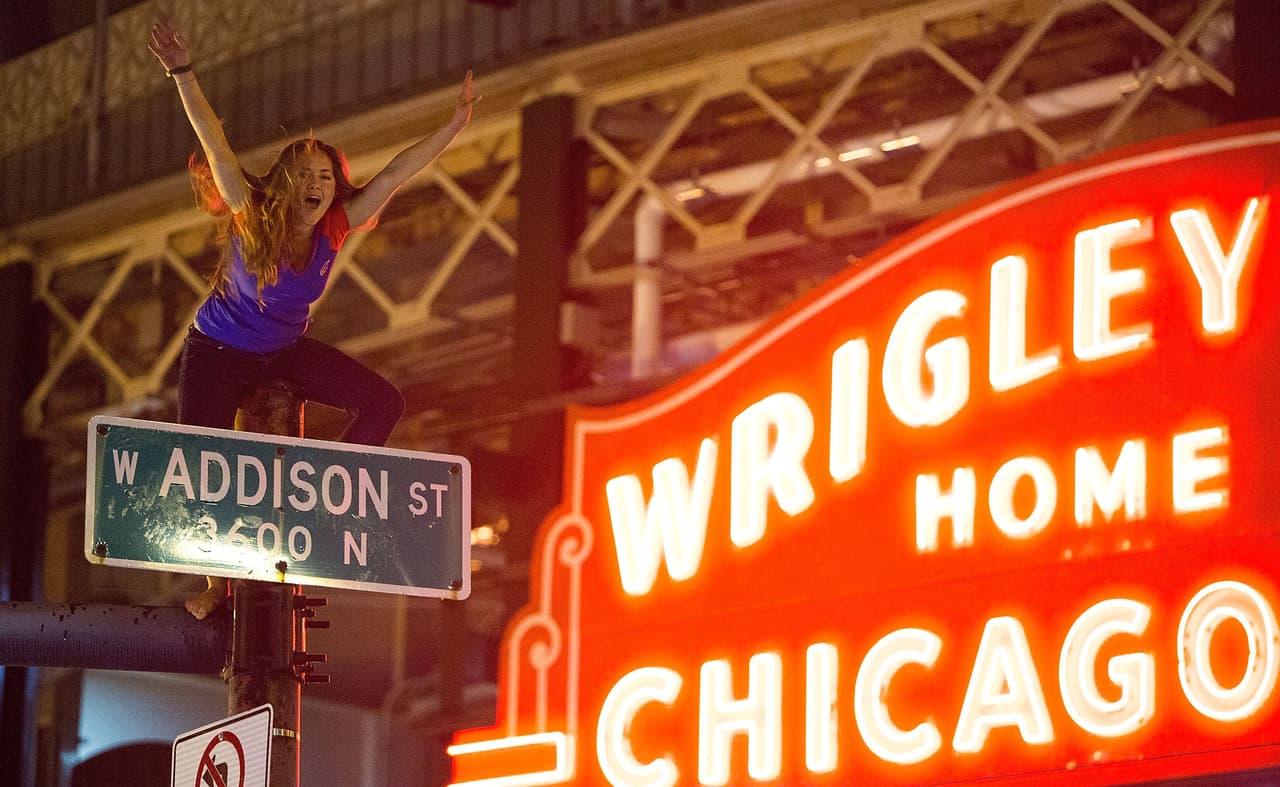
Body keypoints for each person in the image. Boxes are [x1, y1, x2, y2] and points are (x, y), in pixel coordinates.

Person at [148, 20, 475, 447]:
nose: (315, 184)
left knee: (384, 403)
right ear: (285, 184)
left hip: (284, 351)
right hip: (219, 351)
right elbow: (215, 144)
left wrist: (453, 127)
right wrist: (182, 72)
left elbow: (395, 173)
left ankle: (333, 479)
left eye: (324, 176)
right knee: (199, 457)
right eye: (304, 175)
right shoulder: (251, 211)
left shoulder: (334, 226)